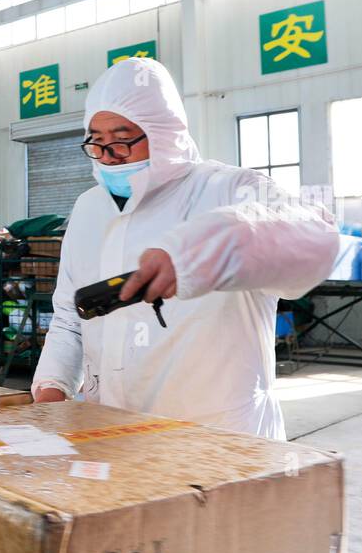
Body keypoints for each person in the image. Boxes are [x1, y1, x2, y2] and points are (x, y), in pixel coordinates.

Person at [30, 58, 338, 440]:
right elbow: (69, 318)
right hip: (111, 436)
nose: (109, 155)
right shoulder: (89, 208)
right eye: (97, 141)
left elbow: (318, 238)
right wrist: (52, 387)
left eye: (123, 139)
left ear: (163, 132)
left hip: (220, 441)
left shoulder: (230, 189)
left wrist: (199, 253)